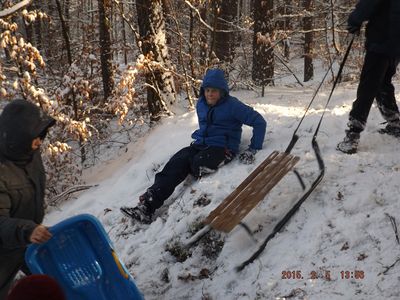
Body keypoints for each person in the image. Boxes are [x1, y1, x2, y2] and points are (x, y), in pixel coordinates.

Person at [121, 68, 267, 224]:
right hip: (201, 144)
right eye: (207, 90)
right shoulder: (202, 104)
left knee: (197, 163)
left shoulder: (233, 106)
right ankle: (146, 207)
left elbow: (259, 122)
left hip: (223, 148)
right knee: (176, 163)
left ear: (222, 92)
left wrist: (253, 148)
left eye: (214, 91)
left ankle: (202, 166)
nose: (210, 94)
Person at [0, 99, 56, 299]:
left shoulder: (30, 151)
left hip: (26, 238)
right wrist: (27, 230)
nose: (40, 141)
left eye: (41, 135)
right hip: (4, 250)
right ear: (19, 138)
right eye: (36, 137)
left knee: (55, 282)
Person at [337, 0, 400, 154]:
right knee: (382, 83)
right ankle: (394, 123)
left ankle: (353, 134)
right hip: (396, 44)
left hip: (381, 40)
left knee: (368, 86)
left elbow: (368, 4)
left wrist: (354, 21)